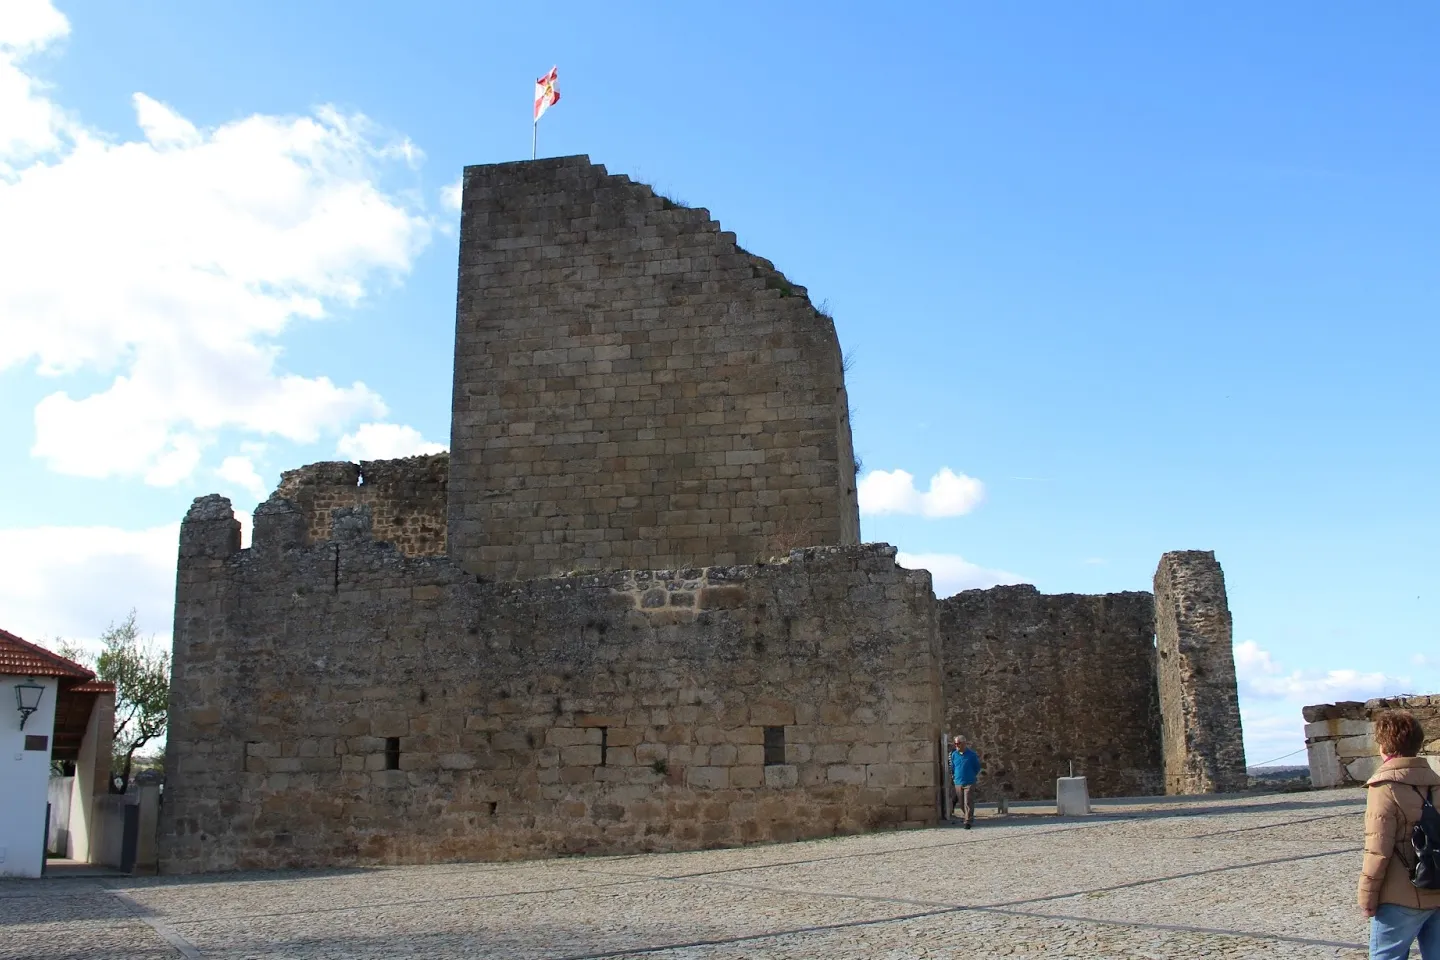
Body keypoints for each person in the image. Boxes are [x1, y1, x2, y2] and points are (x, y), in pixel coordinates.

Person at [1359, 709, 1440, 959]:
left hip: (1399, 896)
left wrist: (1367, 896)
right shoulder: (1437, 783)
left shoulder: (1384, 787)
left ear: (1383, 746)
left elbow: (1378, 850)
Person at [949, 735, 982, 829]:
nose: (956, 745)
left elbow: (977, 767)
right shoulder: (954, 755)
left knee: (968, 801)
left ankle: (968, 821)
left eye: (958, 743)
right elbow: (954, 767)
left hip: (969, 782)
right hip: (958, 782)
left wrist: (971, 775)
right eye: (955, 743)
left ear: (964, 743)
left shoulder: (972, 755)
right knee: (962, 803)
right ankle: (967, 816)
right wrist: (955, 778)